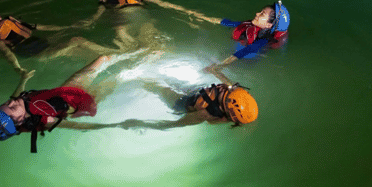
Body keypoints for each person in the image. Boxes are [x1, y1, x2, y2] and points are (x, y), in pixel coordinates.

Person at [0, 55, 112, 153]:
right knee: (109, 72)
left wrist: (23, 79)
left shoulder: (18, 105)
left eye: (6, 103)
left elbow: (17, 95)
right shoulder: (45, 120)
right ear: (20, 121)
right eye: (11, 107)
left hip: (70, 89)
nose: (11, 102)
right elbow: (73, 126)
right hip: (81, 100)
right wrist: (113, 126)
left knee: (103, 61)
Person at [62, 70, 259, 131]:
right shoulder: (231, 94)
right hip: (193, 91)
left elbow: (171, 125)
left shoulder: (203, 114)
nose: (222, 87)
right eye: (228, 89)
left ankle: (87, 100)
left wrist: (138, 123)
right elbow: (228, 85)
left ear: (222, 106)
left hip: (180, 101)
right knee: (159, 75)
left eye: (223, 91)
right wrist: (214, 70)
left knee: (146, 80)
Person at [0, 3, 135, 72]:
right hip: (36, 54)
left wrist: (68, 26)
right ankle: (122, 52)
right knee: (77, 41)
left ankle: (120, 65)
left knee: (83, 54)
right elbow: (8, 54)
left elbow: (37, 27)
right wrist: (20, 71)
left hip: (39, 43)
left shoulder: (9, 22)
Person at [186, 0, 290, 71]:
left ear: (268, 25)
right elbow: (229, 23)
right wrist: (196, 15)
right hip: (240, 49)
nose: (257, 13)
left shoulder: (263, 41)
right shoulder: (252, 25)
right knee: (222, 53)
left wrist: (218, 67)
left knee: (233, 65)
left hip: (246, 60)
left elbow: (244, 52)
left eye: (262, 14)